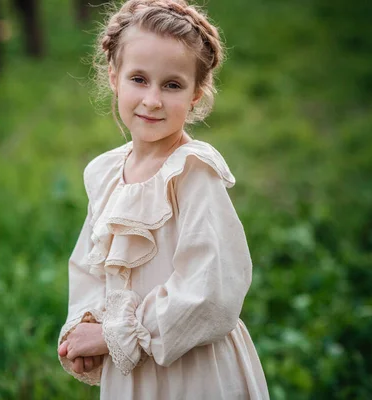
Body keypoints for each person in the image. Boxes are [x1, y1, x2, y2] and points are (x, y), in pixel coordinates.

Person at [57, 0, 269, 398]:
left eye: (171, 85)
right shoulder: (105, 175)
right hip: (132, 374)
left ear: (195, 95)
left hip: (193, 370)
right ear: (113, 78)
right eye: (139, 79)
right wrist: (85, 324)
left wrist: (112, 335)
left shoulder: (192, 174)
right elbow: (87, 267)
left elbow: (211, 291)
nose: (152, 100)